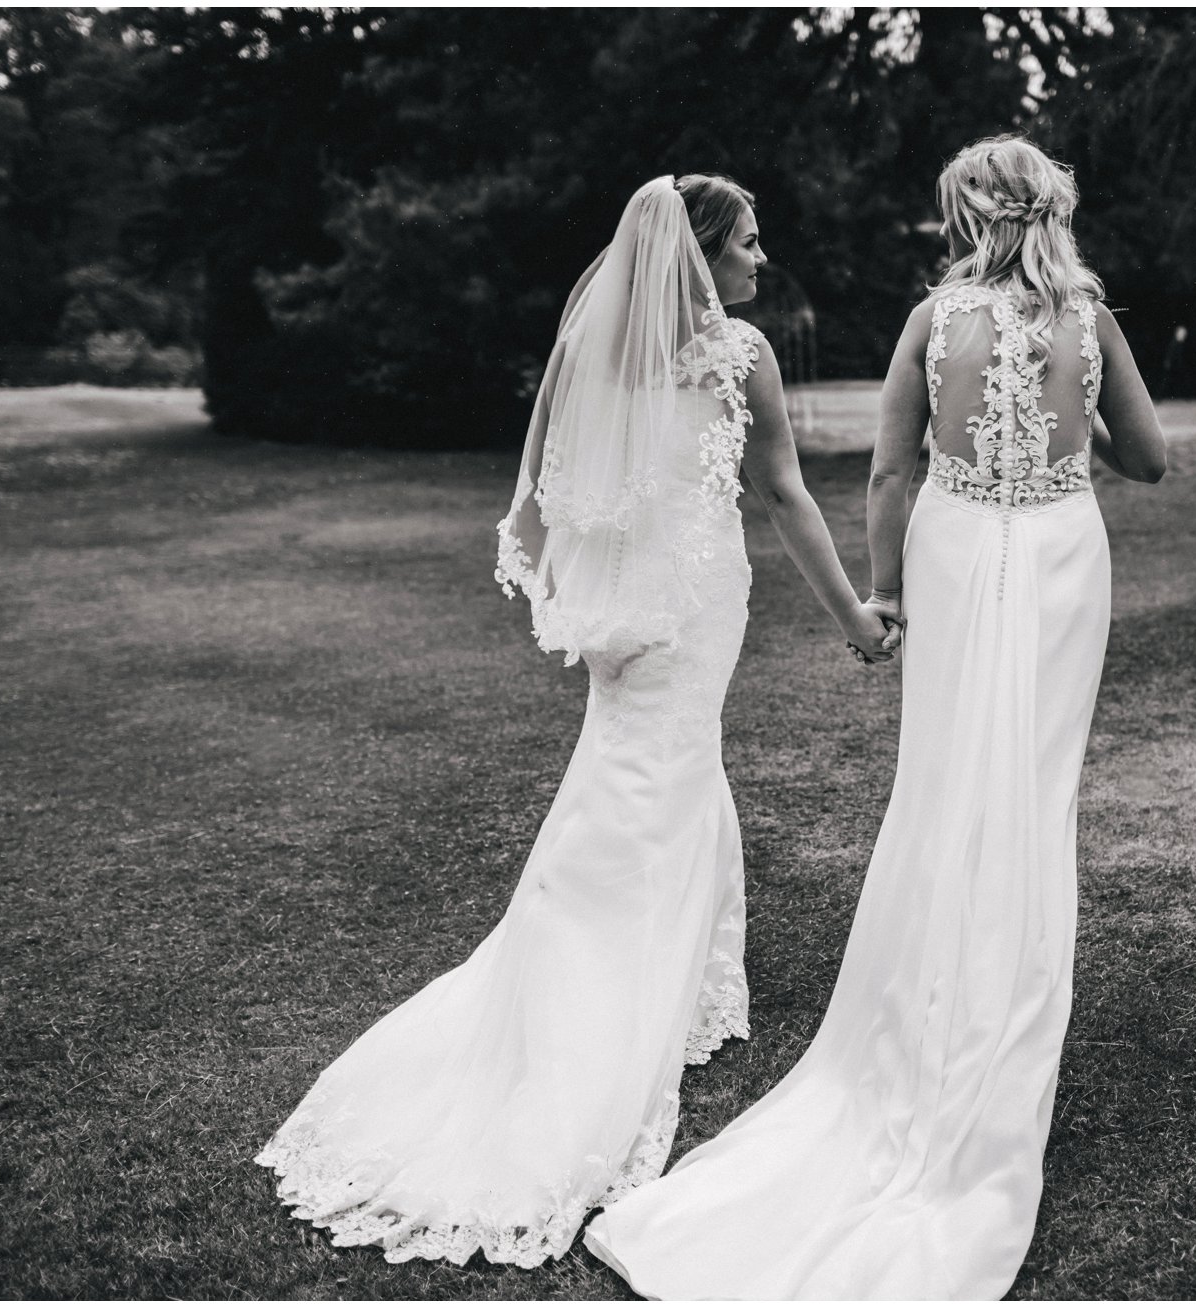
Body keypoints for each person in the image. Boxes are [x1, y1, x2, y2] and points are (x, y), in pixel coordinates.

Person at [254, 173, 899, 1267]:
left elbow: (555, 489)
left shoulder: (593, 351)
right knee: (661, 778)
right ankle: (607, 1005)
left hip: (633, 614)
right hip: (693, 607)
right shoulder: (738, 355)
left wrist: (599, 582)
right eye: (746, 244)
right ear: (698, 257)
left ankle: (684, 981)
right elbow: (782, 495)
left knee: (645, 774)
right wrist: (857, 619)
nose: (760, 261)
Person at [582, 135, 1170, 1299]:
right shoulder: (1092, 319)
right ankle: (1006, 1002)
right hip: (1060, 551)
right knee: (1035, 790)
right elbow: (1148, 462)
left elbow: (891, 475)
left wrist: (886, 591)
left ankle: (924, 1002)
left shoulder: (930, 322)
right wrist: (1084, 415)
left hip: (954, 552)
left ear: (967, 215)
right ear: (1049, 211)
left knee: (945, 779)